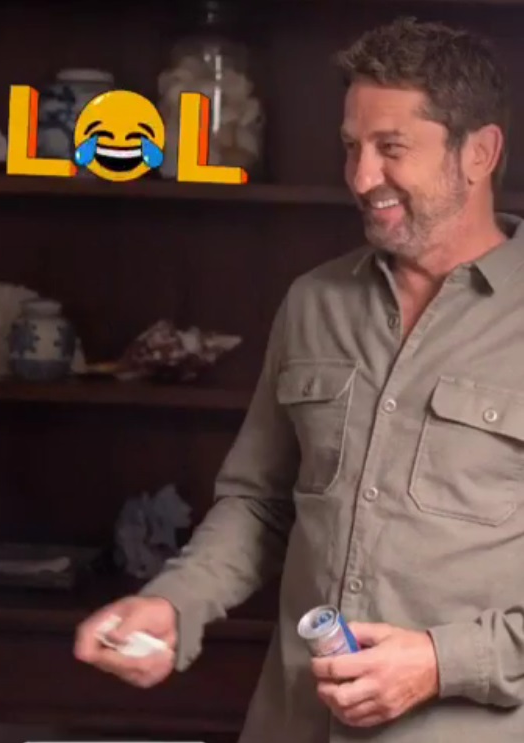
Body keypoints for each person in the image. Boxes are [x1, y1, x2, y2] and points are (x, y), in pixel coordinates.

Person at [75, 17, 524, 742]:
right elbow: (261, 504)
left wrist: (444, 663)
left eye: (391, 148)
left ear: (480, 152)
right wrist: (177, 601)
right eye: (351, 147)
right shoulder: (313, 303)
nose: (361, 178)